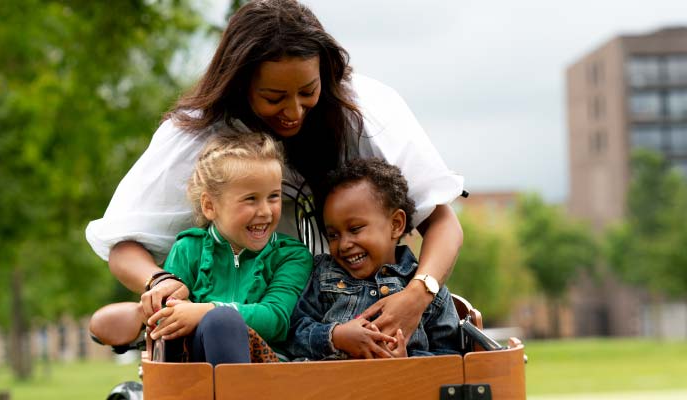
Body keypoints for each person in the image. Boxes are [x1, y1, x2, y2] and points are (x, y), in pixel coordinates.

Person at [85, 0, 464, 339]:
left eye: (307, 91)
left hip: (337, 307)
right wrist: (161, 282)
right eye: (273, 97)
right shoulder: (196, 135)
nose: (295, 111)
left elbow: (442, 221)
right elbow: (125, 247)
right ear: (240, 84)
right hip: (271, 326)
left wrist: (417, 294)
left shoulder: (365, 113)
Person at [144, 131, 312, 365]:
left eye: (273, 197)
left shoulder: (291, 255)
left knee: (221, 321)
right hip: (197, 368)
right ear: (210, 206)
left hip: (269, 370)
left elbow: (276, 319)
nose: (265, 211)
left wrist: (206, 311)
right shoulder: (188, 249)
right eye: (251, 199)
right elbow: (169, 321)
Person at [287, 158, 461, 359]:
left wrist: (408, 362)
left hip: (401, 389)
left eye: (355, 229)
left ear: (396, 224)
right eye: (333, 235)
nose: (343, 244)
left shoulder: (429, 291)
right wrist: (335, 337)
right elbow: (292, 334)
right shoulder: (323, 275)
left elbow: (450, 357)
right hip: (329, 388)